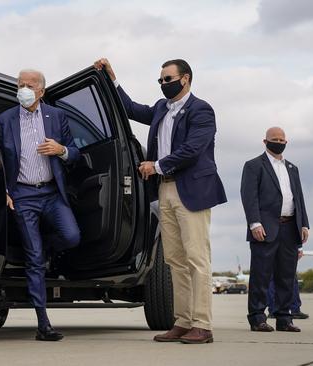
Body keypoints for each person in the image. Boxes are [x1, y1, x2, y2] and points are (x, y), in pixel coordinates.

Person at [94, 58, 227, 344]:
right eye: (161, 81)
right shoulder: (160, 109)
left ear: (186, 79)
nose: (164, 84)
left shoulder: (201, 110)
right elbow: (130, 109)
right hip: (164, 190)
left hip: (190, 189)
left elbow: (193, 149)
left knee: (197, 259)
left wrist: (155, 165)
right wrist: (111, 79)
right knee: (174, 260)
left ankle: (202, 325)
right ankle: (183, 321)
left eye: (168, 79)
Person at [0, 69, 81, 341]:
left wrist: (62, 150)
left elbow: (76, 153)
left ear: (41, 91)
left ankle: (45, 248)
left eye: (29, 85)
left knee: (71, 236)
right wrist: (4, 191)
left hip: (52, 193)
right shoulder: (4, 120)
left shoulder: (56, 116)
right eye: (20, 84)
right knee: (34, 260)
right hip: (22, 195)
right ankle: (43, 324)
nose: (24, 88)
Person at [240, 127, 310, 333]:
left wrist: (303, 224)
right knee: (261, 275)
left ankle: (283, 318)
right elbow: (248, 196)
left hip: (290, 227)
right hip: (265, 227)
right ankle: (257, 317)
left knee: (286, 275)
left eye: (282, 139)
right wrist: (254, 223)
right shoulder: (254, 166)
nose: (278, 142)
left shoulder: (292, 168)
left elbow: (299, 197)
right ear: (265, 141)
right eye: (274, 139)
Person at [267, 249, 309, 319]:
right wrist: (299, 248)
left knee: (271, 277)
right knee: (291, 276)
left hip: (269, 244)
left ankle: (273, 309)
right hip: (285, 244)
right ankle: (295, 309)